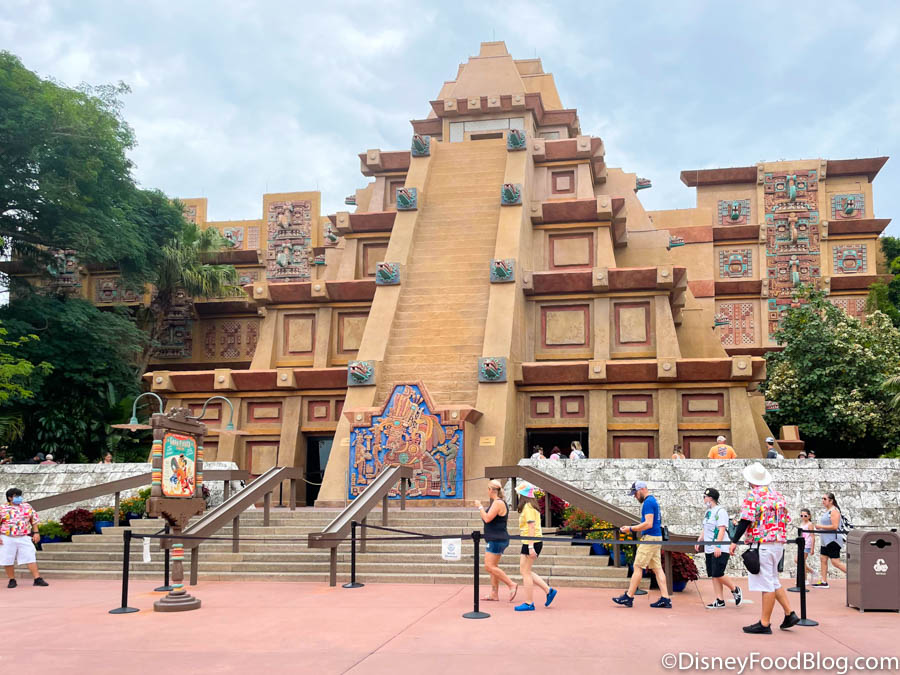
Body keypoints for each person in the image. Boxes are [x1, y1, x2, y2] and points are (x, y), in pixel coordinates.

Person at [729, 462, 798, 633]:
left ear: (750, 480)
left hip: (762, 544)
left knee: (766, 584)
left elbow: (745, 520)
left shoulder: (753, 495)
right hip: (778, 543)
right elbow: (786, 519)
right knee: (773, 580)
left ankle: (765, 623)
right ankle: (789, 613)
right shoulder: (778, 496)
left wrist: (734, 541)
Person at [613, 481, 671, 608]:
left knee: (638, 566)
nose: (635, 496)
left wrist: (630, 529)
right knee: (657, 568)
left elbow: (648, 524)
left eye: (635, 493)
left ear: (642, 489)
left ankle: (628, 597)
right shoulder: (653, 501)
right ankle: (665, 598)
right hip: (656, 537)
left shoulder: (648, 502)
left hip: (650, 538)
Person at [696, 488, 742, 608]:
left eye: (705, 497)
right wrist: (700, 539)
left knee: (718, 573)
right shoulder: (708, 512)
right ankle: (719, 600)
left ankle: (735, 589)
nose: (704, 499)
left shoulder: (720, 511)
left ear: (710, 498)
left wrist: (718, 545)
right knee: (713, 574)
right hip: (709, 547)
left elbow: (721, 529)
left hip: (720, 547)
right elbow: (706, 527)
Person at [514, 483, 556, 611]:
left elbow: (531, 527)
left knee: (525, 572)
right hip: (529, 541)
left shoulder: (528, 507)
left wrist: (531, 546)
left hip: (532, 542)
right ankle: (548, 590)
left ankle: (529, 603)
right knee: (524, 570)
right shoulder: (530, 506)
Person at [474, 480, 517, 602]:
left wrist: (480, 507)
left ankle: (511, 584)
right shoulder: (498, 502)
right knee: (493, 566)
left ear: (491, 490)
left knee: (488, 566)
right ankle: (494, 593)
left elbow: (487, 518)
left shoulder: (498, 503)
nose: (487, 491)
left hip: (496, 539)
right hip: (496, 538)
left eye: (488, 489)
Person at [0, 488, 49, 588]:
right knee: (7, 558)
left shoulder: (27, 506)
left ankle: (37, 578)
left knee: (30, 556)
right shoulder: (2, 508)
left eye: (19, 495)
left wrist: (36, 533)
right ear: (10, 498)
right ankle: (12, 580)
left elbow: (33, 520)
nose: (19, 498)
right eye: (16, 496)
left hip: (23, 536)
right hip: (7, 536)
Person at [811, 492, 846, 588]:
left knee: (835, 562)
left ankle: (857, 576)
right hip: (825, 540)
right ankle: (824, 581)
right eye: (822, 499)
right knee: (823, 559)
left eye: (825, 499)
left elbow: (835, 526)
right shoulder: (828, 511)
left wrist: (820, 526)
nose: (823, 501)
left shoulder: (834, 511)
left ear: (831, 501)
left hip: (833, 540)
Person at [797, 508, 818, 585]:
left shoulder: (810, 524)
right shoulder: (802, 523)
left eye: (805, 516)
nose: (803, 517)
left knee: (800, 560)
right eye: (801, 515)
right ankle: (811, 572)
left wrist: (812, 548)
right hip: (802, 544)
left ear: (809, 516)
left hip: (807, 545)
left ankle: (805, 579)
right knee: (799, 561)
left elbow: (812, 536)